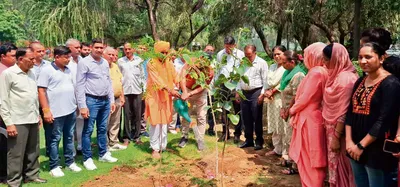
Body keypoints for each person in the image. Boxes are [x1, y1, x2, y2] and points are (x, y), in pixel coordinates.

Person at [345, 42, 400, 187]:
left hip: (376, 149)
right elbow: (350, 111)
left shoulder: (391, 83)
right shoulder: (360, 81)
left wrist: (361, 146)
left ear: (381, 58)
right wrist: (349, 142)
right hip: (354, 146)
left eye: (368, 57)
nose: (363, 61)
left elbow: (384, 120)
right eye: (360, 57)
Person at [0, 48, 47, 186]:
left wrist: (38, 115)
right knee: (16, 153)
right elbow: (3, 100)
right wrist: (9, 123)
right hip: (17, 119)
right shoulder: (8, 74)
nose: (34, 61)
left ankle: (32, 175)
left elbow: (33, 96)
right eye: (31, 59)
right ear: (20, 59)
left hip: (32, 117)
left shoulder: (31, 73)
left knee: (33, 150)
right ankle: (14, 180)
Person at [37, 46, 82, 177]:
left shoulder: (68, 70)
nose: (68, 60)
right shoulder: (47, 70)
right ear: (56, 57)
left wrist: (77, 105)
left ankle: (69, 162)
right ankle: (54, 166)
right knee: (55, 139)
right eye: (66, 57)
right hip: (55, 112)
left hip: (70, 109)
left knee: (69, 137)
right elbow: (41, 91)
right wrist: (46, 110)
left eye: (69, 57)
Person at [288, 42, 328, 185]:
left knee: (311, 156)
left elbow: (305, 97)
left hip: (309, 119)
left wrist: (292, 110)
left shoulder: (316, 72)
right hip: (312, 116)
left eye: (306, 56)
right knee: (313, 155)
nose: (304, 59)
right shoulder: (322, 70)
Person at [76, 38, 118, 171]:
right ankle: (87, 158)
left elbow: (108, 82)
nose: (99, 50)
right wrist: (82, 105)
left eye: (101, 48)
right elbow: (80, 85)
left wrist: (111, 100)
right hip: (91, 100)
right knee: (88, 130)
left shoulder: (105, 62)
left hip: (105, 100)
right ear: (91, 47)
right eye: (97, 47)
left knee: (102, 128)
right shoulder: (84, 63)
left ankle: (103, 153)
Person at [322, 43, 357, 187]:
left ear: (336, 59)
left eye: (326, 59)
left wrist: (336, 137)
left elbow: (344, 111)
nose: (324, 63)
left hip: (341, 132)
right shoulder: (336, 76)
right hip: (332, 129)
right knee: (335, 167)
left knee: (342, 167)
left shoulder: (346, 79)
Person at [144, 41, 180, 158]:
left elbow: (175, 76)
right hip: (154, 97)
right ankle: (155, 148)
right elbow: (157, 81)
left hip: (166, 96)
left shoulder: (169, 62)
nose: (164, 55)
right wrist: (171, 90)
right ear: (156, 52)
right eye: (162, 52)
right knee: (155, 122)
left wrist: (180, 86)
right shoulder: (151, 63)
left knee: (164, 122)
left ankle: (162, 146)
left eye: (166, 52)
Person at [236, 45, 268, 150]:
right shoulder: (242, 62)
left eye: (249, 55)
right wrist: (238, 92)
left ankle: (259, 141)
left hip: (256, 92)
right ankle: (248, 140)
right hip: (244, 93)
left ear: (255, 53)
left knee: (256, 116)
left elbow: (265, 80)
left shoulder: (262, 63)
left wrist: (262, 94)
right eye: (246, 55)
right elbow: (239, 78)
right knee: (246, 117)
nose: (248, 57)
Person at [178, 56, 214, 150]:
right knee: (186, 115)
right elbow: (182, 77)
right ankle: (184, 136)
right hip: (187, 89)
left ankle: (200, 140)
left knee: (202, 116)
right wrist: (185, 92)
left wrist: (191, 93)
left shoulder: (210, 71)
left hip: (200, 93)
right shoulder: (189, 63)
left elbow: (203, 86)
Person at [279, 50, 307, 173]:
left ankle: (294, 167)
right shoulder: (287, 73)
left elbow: (297, 96)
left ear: (292, 62)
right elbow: (284, 93)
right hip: (287, 110)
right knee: (288, 137)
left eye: (284, 62)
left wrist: (288, 110)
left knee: (293, 138)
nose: (282, 65)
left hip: (294, 112)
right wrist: (283, 109)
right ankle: (290, 161)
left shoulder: (299, 75)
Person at [216, 36, 245, 143]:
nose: (228, 50)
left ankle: (237, 134)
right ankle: (225, 132)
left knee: (237, 110)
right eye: (226, 47)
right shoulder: (220, 54)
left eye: (230, 47)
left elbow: (241, 73)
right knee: (224, 110)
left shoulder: (240, 55)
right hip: (224, 85)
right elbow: (219, 70)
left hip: (235, 86)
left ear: (235, 45)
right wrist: (217, 84)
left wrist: (238, 90)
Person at [118, 42, 145, 146]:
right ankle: (126, 137)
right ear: (123, 50)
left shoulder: (139, 61)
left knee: (138, 115)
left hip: (137, 90)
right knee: (127, 115)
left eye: (129, 49)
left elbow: (142, 76)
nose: (127, 51)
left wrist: (144, 91)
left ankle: (137, 136)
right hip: (125, 91)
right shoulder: (120, 61)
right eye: (125, 49)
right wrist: (121, 93)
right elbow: (119, 77)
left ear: (133, 49)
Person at [30, 42, 52, 157]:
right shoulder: (27, 66)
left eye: (43, 51)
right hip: (32, 102)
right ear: (31, 51)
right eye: (39, 51)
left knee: (50, 127)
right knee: (34, 129)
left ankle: (50, 151)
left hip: (46, 101)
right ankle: (33, 155)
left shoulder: (48, 65)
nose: (42, 53)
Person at [264, 45, 287, 157]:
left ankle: (285, 151)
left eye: (279, 54)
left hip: (280, 98)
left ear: (284, 54)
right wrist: (267, 91)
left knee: (282, 124)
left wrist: (273, 91)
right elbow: (268, 81)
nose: (277, 56)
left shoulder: (286, 67)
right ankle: (277, 148)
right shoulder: (272, 67)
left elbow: (283, 82)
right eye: (275, 54)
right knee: (274, 123)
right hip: (271, 99)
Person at [0, 43, 17, 184]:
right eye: (12, 56)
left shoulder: (14, 70)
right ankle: (3, 175)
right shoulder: (2, 72)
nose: (15, 58)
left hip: (14, 112)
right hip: (3, 115)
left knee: (11, 145)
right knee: (3, 145)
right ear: (2, 56)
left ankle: (11, 172)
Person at [103, 47, 127, 151]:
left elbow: (120, 82)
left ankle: (114, 142)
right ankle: (105, 145)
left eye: (114, 55)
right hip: (106, 99)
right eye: (110, 54)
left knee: (115, 122)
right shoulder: (101, 66)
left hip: (117, 98)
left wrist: (122, 96)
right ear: (104, 55)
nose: (112, 57)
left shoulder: (115, 66)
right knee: (105, 123)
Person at [65, 38, 84, 156]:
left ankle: (81, 146)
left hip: (82, 97)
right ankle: (71, 150)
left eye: (79, 47)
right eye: (76, 48)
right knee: (70, 126)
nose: (79, 50)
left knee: (81, 122)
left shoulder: (84, 60)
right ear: (69, 48)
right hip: (70, 98)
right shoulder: (67, 62)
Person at [203, 44, 216, 136]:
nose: (209, 52)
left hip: (213, 90)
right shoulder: (201, 62)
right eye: (208, 50)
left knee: (212, 111)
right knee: (203, 111)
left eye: (211, 50)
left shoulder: (215, 62)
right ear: (204, 50)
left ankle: (211, 129)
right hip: (203, 90)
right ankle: (202, 128)